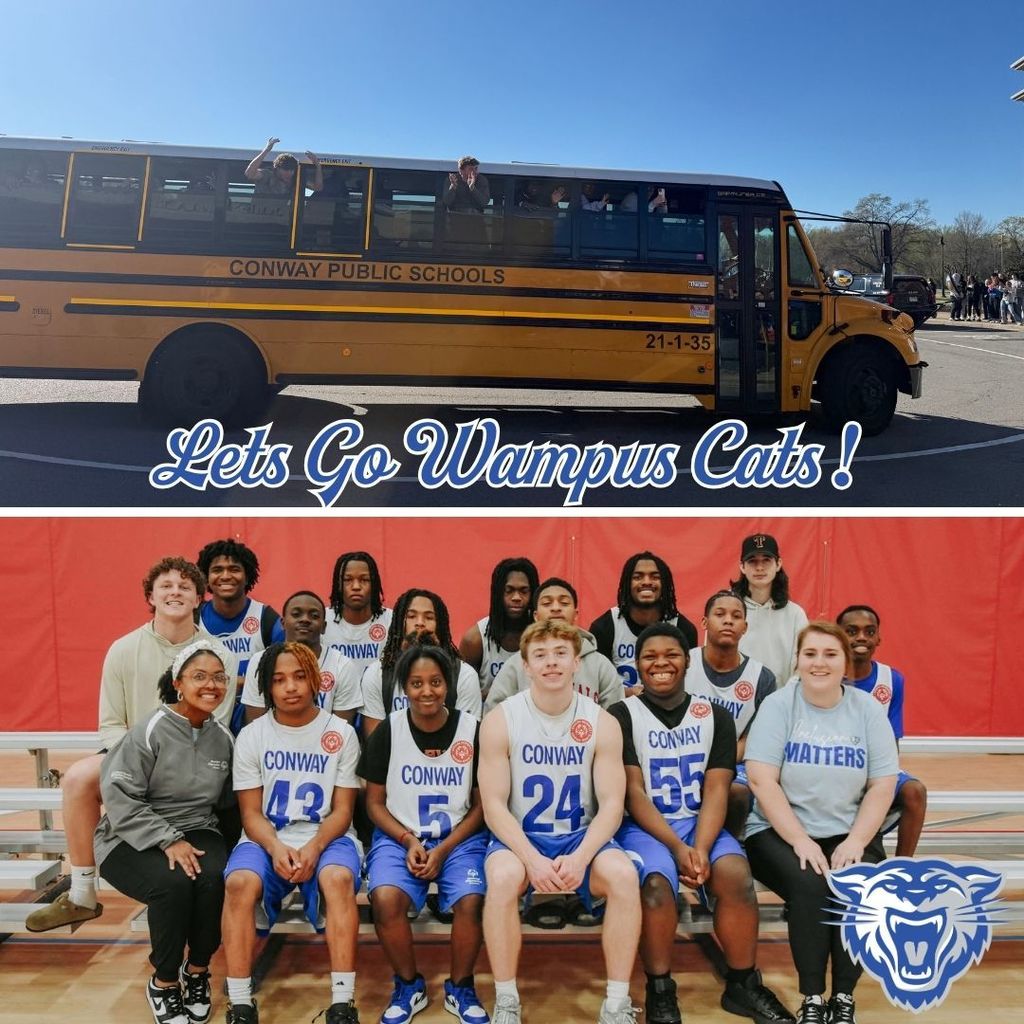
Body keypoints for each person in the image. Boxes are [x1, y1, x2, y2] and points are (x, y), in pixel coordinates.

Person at [26, 557, 234, 933]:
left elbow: (215, 723)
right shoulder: (123, 650)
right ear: (150, 597)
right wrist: (140, 762)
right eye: (166, 586)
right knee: (77, 778)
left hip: (192, 763)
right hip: (133, 758)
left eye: (185, 587)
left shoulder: (220, 655)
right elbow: (109, 725)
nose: (175, 592)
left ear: (198, 598)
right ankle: (83, 894)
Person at [611, 624, 794, 1024]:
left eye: (671, 654)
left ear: (687, 661)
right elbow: (634, 793)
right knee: (657, 888)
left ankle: (743, 983)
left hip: (699, 822)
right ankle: (660, 988)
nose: (660, 663)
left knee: (735, 875)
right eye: (649, 656)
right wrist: (678, 849)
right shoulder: (621, 715)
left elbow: (717, 789)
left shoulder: (715, 716)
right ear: (637, 665)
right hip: (644, 827)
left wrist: (703, 845)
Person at [478, 619, 642, 1024]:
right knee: (501, 879)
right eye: (541, 655)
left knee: (622, 876)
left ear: (576, 663)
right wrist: (532, 859)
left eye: (560, 654)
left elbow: (612, 804)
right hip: (522, 836)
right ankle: (506, 1000)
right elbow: (494, 804)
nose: (551, 663)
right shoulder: (501, 719)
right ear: (526, 666)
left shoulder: (602, 721)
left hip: (581, 836)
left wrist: (582, 857)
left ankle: (617, 1004)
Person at [745, 622, 899, 1024]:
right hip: (778, 832)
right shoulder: (779, 705)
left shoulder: (866, 709)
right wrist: (799, 839)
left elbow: (883, 785)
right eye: (810, 653)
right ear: (797, 660)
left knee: (857, 889)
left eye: (830, 654)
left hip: (849, 830)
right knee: (812, 887)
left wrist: (857, 841)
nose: (819, 663)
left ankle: (843, 997)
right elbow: (762, 779)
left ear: (846, 663)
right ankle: (813, 996)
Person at [221, 642, 363, 1024]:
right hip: (267, 836)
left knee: (338, 877)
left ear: (315, 679)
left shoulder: (341, 732)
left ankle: (342, 1003)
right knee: (238, 883)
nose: (291, 687)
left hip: (328, 836)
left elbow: (344, 811)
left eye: (300, 676)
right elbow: (250, 814)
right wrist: (276, 846)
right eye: (279, 679)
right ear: (267, 686)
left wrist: (315, 847)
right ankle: (240, 1003)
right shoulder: (252, 735)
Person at [95, 640, 234, 1024]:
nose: (211, 685)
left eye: (218, 678)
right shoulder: (150, 729)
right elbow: (118, 795)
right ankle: (165, 981)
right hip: (129, 833)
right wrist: (168, 838)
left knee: (213, 877)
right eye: (199, 677)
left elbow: (225, 804)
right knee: (172, 884)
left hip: (197, 826)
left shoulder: (223, 738)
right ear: (178, 683)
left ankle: (198, 971)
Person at [358, 643, 489, 1024]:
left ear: (448, 684)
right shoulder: (388, 732)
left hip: (460, 838)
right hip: (400, 836)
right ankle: (408, 984)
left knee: (472, 901)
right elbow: (375, 805)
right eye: (416, 683)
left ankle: (461, 987)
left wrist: (444, 848)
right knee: (383, 899)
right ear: (404, 688)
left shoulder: (472, 730)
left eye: (435, 681)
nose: (426, 691)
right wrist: (409, 841)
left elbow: (482, 806)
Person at [836, 604, 927, 856]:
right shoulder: (825, 675)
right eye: (852, 631)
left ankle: (902, 867)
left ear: (879, 638)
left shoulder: (892, 680)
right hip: (835, 763)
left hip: (875, 765)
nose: (861, 637)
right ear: (838, 635)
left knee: (914, 791)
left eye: (869, 631)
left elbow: (891, 740)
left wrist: (878, 779)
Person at [685, 590, 777, 838]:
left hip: (733, 762)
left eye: (736, 616)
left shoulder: (762, 677)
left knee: (736, 793)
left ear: (744, 627)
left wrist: (716, 766)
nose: (728, 620)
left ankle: (732, 844)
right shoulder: (684, 663)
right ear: (704, 622)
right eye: (720, 614)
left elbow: (753, 738)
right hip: (682, 755)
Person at [485, 577, 624, 712]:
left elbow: (615, 719)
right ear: (535, 616)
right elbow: (493, 714)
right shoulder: (516, 664)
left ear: (575, 614)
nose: (556, 608)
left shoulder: (600, 665)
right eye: (547, 603)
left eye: (564, 603)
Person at [361, 588, 482, 736]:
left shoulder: (465, 675)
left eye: (429, 617)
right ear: (400, 623)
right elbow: (375, 741)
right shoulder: (376, 674)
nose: (420, 623)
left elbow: (466, 740)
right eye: (411, 616)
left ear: (441, 626)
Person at [197, 539, 284, 734]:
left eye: (234, 569)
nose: (225, 576)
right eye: (217, 569)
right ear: (206, 577)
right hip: (204, 720)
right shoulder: (193, 619)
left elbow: (282, 675)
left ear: (247, 576)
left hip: (255, 721)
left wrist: (235, 683)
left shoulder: (267, 619)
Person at [241, 591, 362, 725]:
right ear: (283, 623)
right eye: (296, 614)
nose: (305, 619)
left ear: (324, 627)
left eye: (314, 616)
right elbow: (255, 726)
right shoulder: (260, 662)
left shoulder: (342, 666)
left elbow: (340, 733)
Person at [590, 551, 698, 698]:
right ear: (627, 583)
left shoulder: (683, 629)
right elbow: (596, 685)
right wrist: (626, 693)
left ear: (665, 584)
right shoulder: (605, 627)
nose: (646, 581)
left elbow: (689, 684)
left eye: (655, 577)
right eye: (637, 577)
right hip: (619, 710)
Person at [730, 534, 807, 688]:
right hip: (734, 703)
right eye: (752, 561)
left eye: (766, 560)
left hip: (781, 703)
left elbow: (802, 663)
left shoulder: (795, 614)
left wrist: (784, 699)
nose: (760, 567)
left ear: (778, 564)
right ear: (742, 567)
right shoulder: (727, 610)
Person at [459, 557, 539, 700]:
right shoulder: (474, 640)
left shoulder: (542, 637)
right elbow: (464, 695)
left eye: (524, 591)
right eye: (509, 591)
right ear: (498, 594)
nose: (516, 597)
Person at [324, 551, 393, 682]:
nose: (356, 587)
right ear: (338, 584)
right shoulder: (323, 620)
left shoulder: (392, 621)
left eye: (364, 580)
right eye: (348, 580)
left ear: (374, 584)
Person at [244, 137, 322, 195]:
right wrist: (266, 150)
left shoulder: (296, 180)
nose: (289, 173)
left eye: (292, 169)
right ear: (277, 168)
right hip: (259, 214)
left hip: (283, 216)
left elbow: (318, 187)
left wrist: (317, 165)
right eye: (286, 169)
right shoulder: (268, 175)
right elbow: (249, 173)